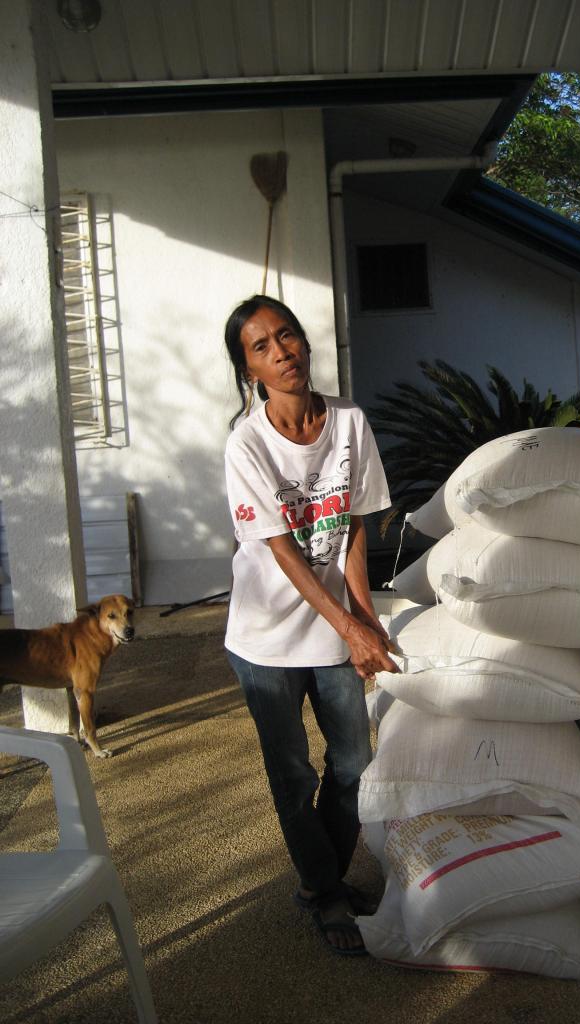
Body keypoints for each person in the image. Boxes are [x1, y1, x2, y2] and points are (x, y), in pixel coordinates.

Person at [222, 295, 398, 957]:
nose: (283, 352)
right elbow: (284, 553)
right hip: (265, 636)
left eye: (287, 336)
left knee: (354, 760)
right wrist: (348, 628)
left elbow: (352, 526)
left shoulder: (348, 421)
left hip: (332, 625)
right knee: (292, 774)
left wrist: (365, 618)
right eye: (262, 347)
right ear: (250, 371)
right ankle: (324, 890)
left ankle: (319, 879)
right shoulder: (247, 443)